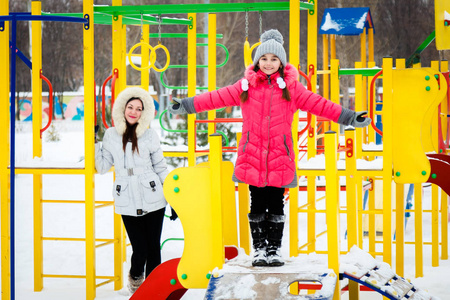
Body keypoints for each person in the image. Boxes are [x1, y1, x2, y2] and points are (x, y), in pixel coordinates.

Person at [168, 29, 371, 267]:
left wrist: (349, 117)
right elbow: (216, 97)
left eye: (274, 59)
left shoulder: (292, 89)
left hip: (279, 154)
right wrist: (186, 105)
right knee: (256, 202)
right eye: (264, 59)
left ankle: (273, 250)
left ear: (281, 63)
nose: (268, 63)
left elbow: (320, 105)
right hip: (252, 153)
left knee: (275, 202)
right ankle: (259, 250)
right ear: (257, 62)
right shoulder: (245, 87)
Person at [95, 87, 172, 293]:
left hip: (153, 195)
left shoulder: (149, 135)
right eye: (130, 107)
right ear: (123, 108)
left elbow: (160, 167)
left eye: (139, 109)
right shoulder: (111, 135)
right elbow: (102, 167)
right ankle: (136, 277)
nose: (134, 112)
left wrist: (172, 197)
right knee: (140, 248)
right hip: (126, 197)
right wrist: (94, 142)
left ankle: (155, 289)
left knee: (154, 247)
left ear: (144, 112)